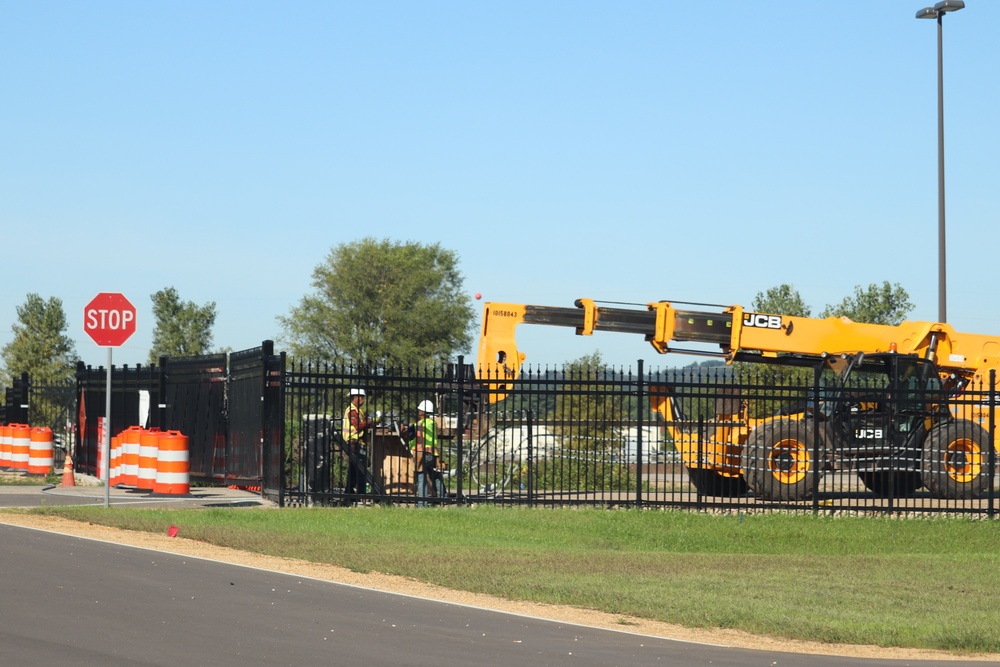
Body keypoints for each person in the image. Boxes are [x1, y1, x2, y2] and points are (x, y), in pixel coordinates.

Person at [403, 399, 444, 507]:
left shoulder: (418, 425)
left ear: (422, 412)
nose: (418, 412)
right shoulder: (433, 424)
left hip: (421, 455)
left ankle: (422, 504)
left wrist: (405, 428)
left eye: (420, 410)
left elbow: (409, 436)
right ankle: (444, 498)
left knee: (421, 478)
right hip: (432, 454)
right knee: (435, 475)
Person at [342, 388, 372, 503]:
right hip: (353, 443)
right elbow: (357, 426)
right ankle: (360, 494)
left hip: (358, 442)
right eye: (361, 397)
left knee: (355, 470)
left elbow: (363, 425)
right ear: (355, 397)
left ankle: (349, 493)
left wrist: (371, 422)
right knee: (359, 470)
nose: (363, 400)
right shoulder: (352, 410)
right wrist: (368, 422)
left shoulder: (359, 411)